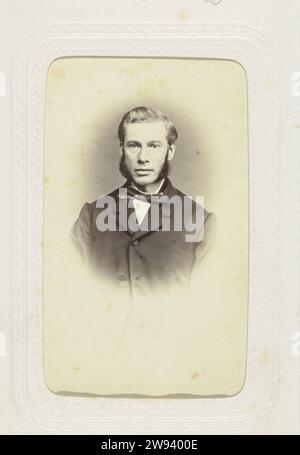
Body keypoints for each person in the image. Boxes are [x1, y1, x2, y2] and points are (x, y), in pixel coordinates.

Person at [71, 106, 216, 297]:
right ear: (122, 149)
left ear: (170, 151)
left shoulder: (200, 221)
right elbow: (69, 289)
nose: (143, 158)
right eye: (134, 145)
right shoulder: (91, 216)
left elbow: (204, 304)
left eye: (154, 146)